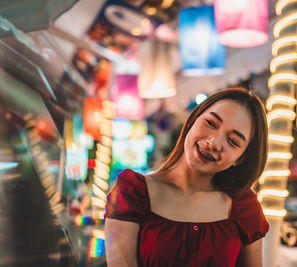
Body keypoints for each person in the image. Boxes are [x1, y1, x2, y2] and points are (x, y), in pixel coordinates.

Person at [105, 87, 269, 267]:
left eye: (233, 141)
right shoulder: (132, 193)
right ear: (194, 119)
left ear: (241, 158)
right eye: (211, 123)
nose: (213, 142)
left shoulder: (244, 208)